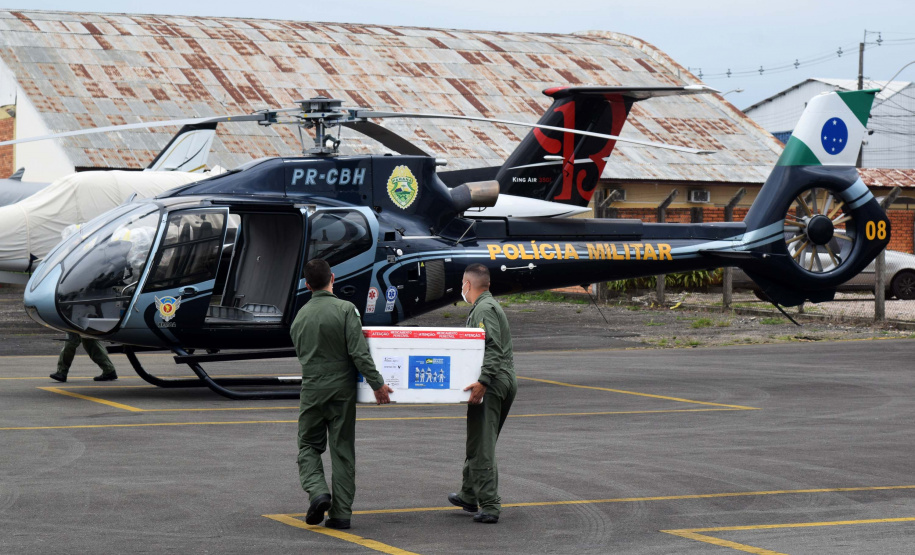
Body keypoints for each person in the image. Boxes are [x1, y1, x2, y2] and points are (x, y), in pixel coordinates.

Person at [291, 259, 394, 530]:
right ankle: (340, 515)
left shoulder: (299, 317)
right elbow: (358, 352)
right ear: (332, 278)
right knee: (343, 450)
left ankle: (317, 491)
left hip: (312, 390)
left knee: (308, 446)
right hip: (341, 391)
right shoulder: (346, 309)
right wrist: (377, 384)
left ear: (307, 284)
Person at [448, 263, 517, 524]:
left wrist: (484, 381)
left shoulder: (485, 309)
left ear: (467, 284)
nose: (461, 288)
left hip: (493, 382)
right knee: (478, 440)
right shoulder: (485, 306)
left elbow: (493, 347)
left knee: (483, 444)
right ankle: (469, 494)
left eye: (462, 284)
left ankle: (489, 504)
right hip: (498, 379)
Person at [49, 332, 118, 382]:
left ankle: (62, 372)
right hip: (86, 317)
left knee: (71, 343)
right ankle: (109, 370)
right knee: (90, 343)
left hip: (75, 319)